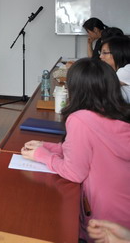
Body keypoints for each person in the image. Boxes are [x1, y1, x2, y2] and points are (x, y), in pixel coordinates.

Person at [21, 59, 130, 240]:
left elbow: (74, 172)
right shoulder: (117, 115)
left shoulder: (80, 119)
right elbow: (88, 150)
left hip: (105, 221)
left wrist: (43, 156)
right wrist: (46, 146)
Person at [100, 35, 130, 103]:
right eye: (100, 53)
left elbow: (101, 87)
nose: (100, 56)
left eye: (104, 53)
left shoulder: (126, 70)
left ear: (118, 52)